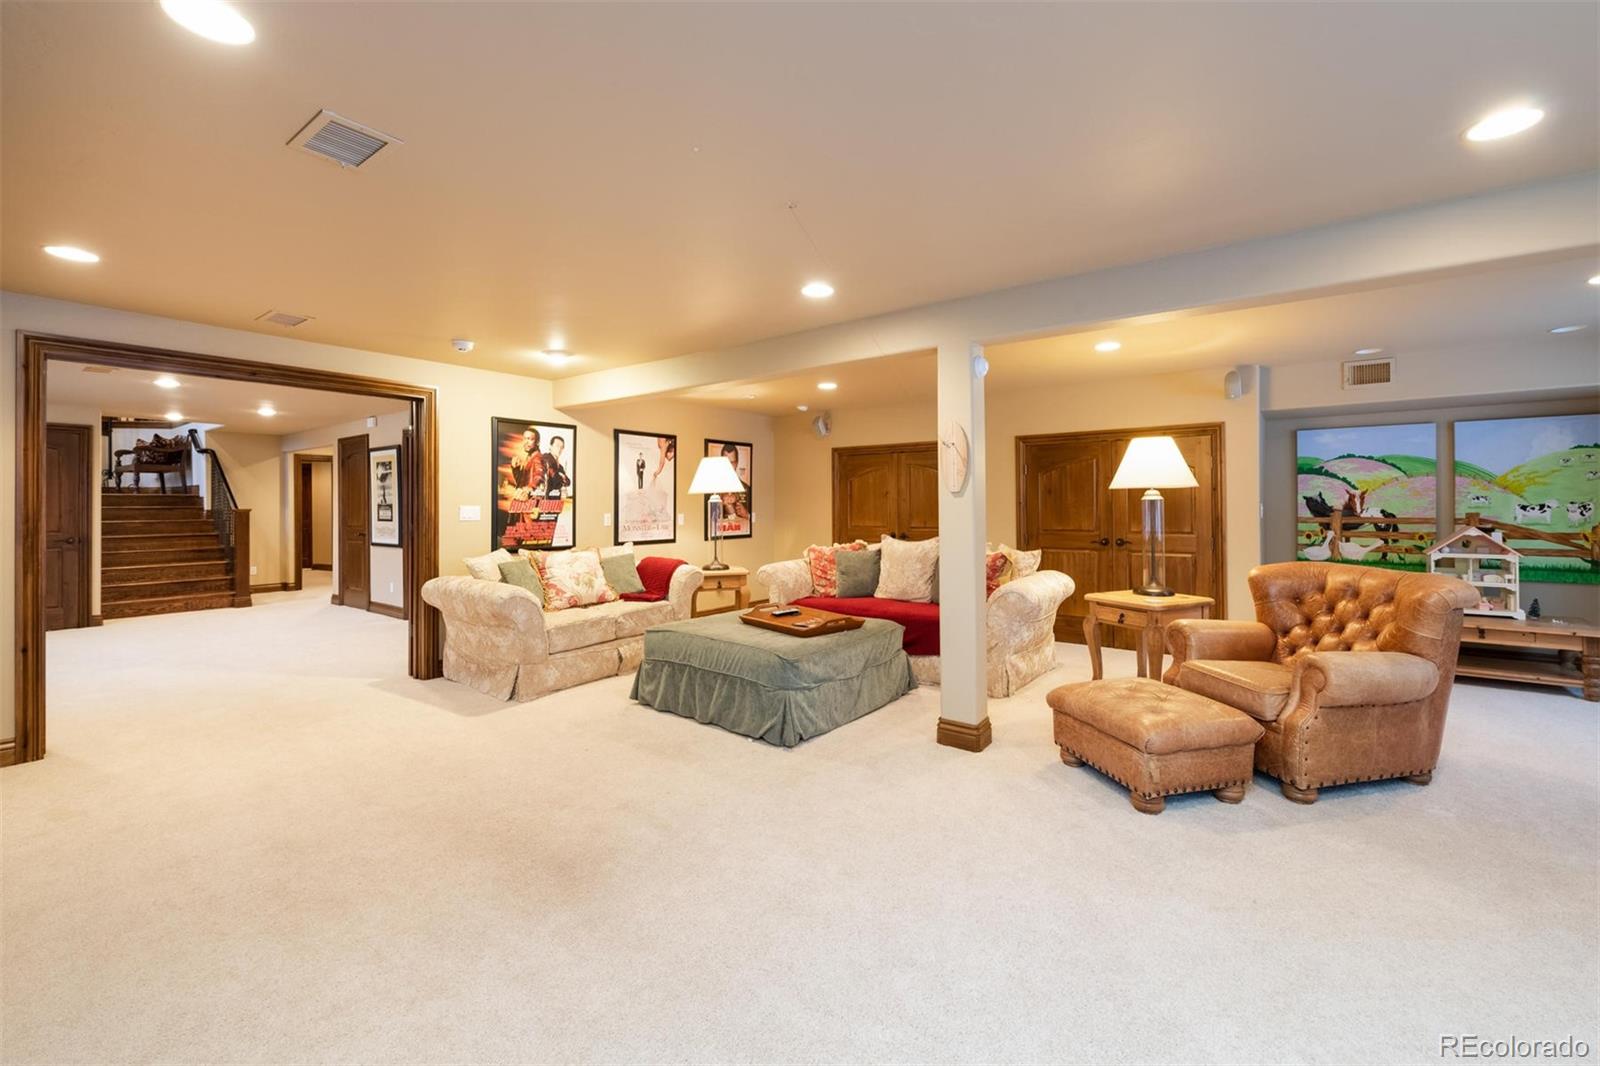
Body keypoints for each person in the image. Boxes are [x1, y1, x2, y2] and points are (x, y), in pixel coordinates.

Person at [507, 427, 543, 499]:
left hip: (531, 501)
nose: (526, 442)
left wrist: (529, 488)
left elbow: (538, 475)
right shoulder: (529, 458)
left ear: (538, 442)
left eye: (530, 439)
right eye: (525, 439)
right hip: (526, 500)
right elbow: (520, 483)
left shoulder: (538, 458)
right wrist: (516, 469)